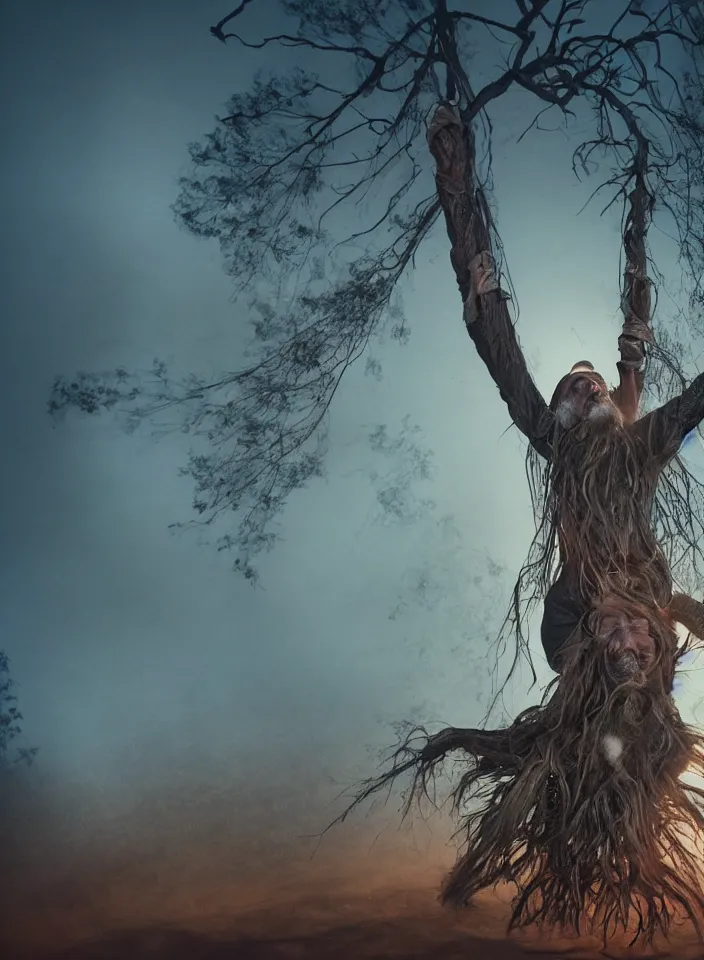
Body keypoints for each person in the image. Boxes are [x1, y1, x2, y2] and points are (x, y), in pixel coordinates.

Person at [338, 104, 704, 945]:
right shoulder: (561, 446)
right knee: (617, 674)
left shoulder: (641, 443)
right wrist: (458, 193)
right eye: (572, 389)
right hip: (594, 613)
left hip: (592, 616)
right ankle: (619, 771)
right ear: (560, 419)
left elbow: (679, 399)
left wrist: (636, 324)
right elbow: (497, 344)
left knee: (619, 683)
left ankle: (623, 771)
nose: (586, 389)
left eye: (595, 384)